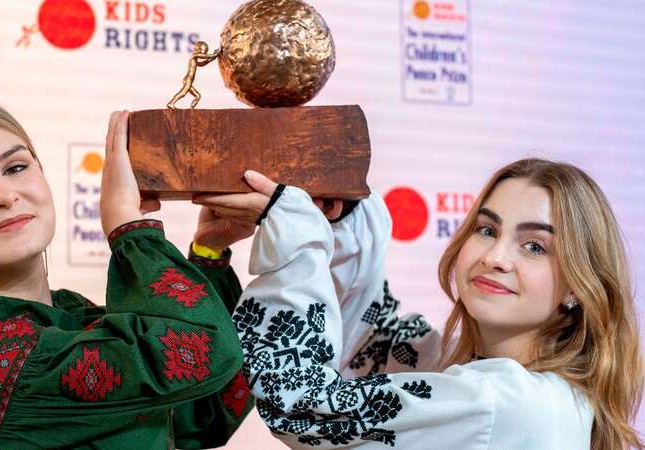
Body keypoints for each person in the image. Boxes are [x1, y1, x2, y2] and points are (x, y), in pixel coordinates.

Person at [0, 95, 253, 449]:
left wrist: (209, 252)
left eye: (16, 167)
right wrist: (128, 229)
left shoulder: (72, 315)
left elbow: (204, 414)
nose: (3, 195)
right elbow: (203, 350)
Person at [195, 160, 644, 449]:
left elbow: (303, 403)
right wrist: (346, 221)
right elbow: (364, 344)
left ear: (576, 288)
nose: (495, 257)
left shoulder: (502, 400)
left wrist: (296, 239)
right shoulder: (479, 378)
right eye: (487, 230)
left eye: (534, 247)